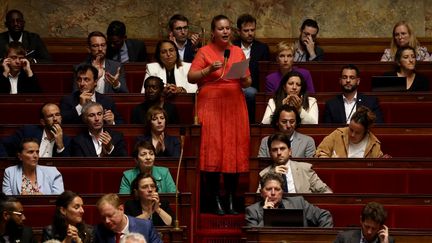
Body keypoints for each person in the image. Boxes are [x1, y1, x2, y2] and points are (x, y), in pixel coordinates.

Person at [188, 14, 251, 215]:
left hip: (234, 104)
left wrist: (243, 77)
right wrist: (207, 70)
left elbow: (248, 82)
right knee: (213, 150)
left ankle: (231, 199)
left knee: (232, 151)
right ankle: (214, 199)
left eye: (227, 28)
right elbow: (191, 77)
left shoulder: (238, 52)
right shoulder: (204, 51)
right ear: (213, 32)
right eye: (221, 28)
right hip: (211, 105)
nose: (225, 31)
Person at [245, 173, 333, 227]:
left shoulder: (299, 203)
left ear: (282, 192)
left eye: (277, 189)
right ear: (261, 193)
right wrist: (267, 215)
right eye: (268, 189)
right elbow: (253, 237)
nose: (273, 193)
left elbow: (325, 216)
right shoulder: (252, 211)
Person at [258, 133, 331, 193]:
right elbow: (259, 197)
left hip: (302, 208)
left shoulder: (305, 169)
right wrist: (272, 175)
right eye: (275, 150)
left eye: (282, 148)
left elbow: (325, 191)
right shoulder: (265, 173)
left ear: (290, 151)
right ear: (270, 153)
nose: (279, 153)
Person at [233, 13, 270, 123]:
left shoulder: (262, 48)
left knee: (251, 93)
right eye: (246, 30)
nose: (250, 33)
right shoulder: (232, 46)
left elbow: (264, 74)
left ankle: (248, 124)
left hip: (253, 86)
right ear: (239, 31)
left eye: (252, 30)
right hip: (232, 84)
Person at [2, 103, 71, 157]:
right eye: (50, 116)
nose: (55, 119)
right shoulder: (27, 132)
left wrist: (60, 145)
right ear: (43, 122)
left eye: (57, 114)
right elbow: (2, 144)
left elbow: (66, 166)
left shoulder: (66, 140)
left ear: (61, 118)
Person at [316, 106, 388, 158]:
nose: (352, 135)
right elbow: (320, 152)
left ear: (365, 131)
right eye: (351, 129)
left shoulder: (374, 143)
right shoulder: (337, 134)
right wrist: (324, 158)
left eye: (357, 132)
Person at [94, 193, 162, 243]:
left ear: (121, 209)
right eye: (103, 217)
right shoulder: (99, 231)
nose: (107, 221)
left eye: (110, 215)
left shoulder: (145, 227)